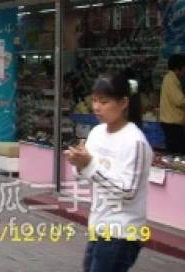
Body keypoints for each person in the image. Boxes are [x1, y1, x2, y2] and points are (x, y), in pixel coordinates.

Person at [65, 73, 152, 272]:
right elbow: (83, 175)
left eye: (104, 102)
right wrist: (78, 163)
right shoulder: (96, 133)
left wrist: (89, 164)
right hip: (98, 225)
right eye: (94, 100)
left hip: (123, 232)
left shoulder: (135, 141)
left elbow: (128, 191)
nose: (97, 107)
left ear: (123, 103)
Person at [159, 54, 185, 154]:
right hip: (172, 123)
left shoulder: (171, 78)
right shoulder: (170, 79)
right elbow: (179, 100)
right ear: (179, 67)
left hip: (171, 122)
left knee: (175, 152)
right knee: (177, 153)